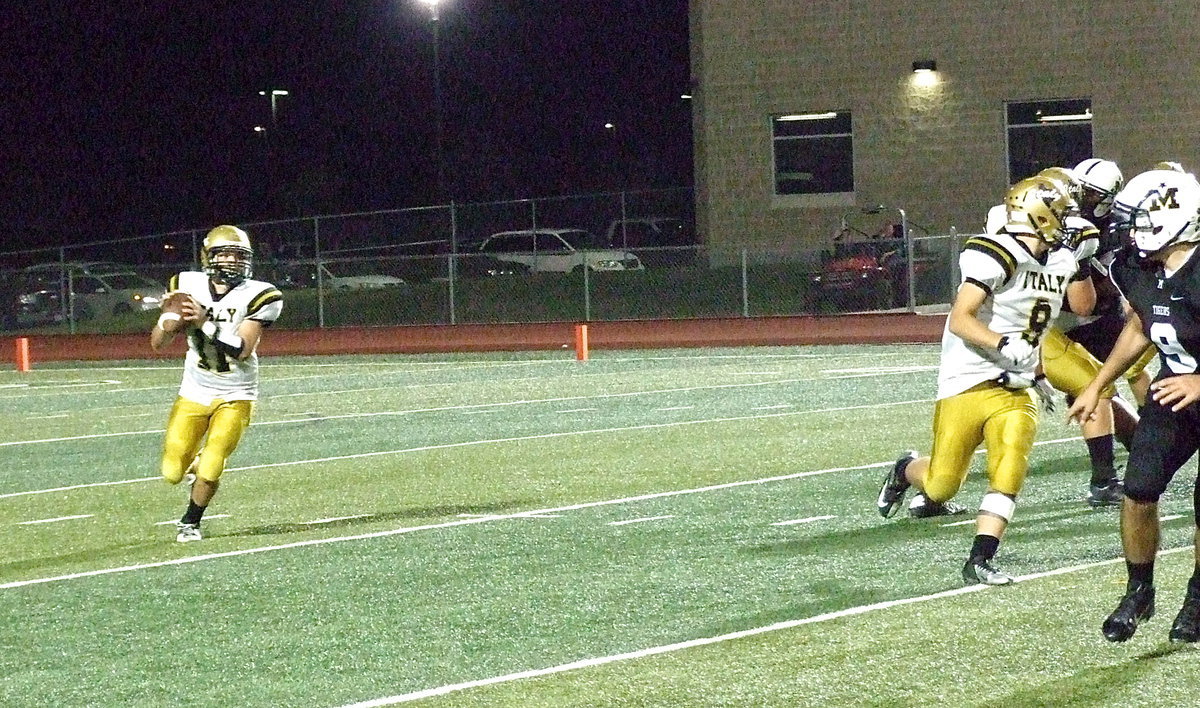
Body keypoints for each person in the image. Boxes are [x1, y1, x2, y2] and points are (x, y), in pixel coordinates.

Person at [877, 175, 1080, 585]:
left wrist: (1036, 372)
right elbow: (960, 318)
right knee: (942, 485)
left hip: (1015, 388)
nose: (1067, 220)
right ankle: (905, 470)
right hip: (968, 379)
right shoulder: (996, 253)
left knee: (1009, 465)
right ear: (1037, 214)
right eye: (1061, 211)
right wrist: (1002, 343)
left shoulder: (1062, 261)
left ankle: (981, 558)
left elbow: (1036, 321)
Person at [1068, 168, 1200, 643]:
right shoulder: (1135, 266)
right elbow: (1143, 323)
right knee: (1139, 487)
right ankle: (1138, 589)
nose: (1128, 230)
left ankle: (1198, 596)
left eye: (1138, 218)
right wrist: (1100, 384)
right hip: (1174, 390)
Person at [151, 225, 283, 542]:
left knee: (212, 465)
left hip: (237, 391)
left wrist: (203, 322)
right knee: (172, 472)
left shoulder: (262, 294)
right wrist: (168, 322)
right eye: (225, 254)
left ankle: (190, 522)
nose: (233, 261)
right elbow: (157, 344)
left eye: (239, 256)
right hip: (195, 389)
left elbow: (242, 349)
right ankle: (192, 467)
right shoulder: (186, 284)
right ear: (207, 258)